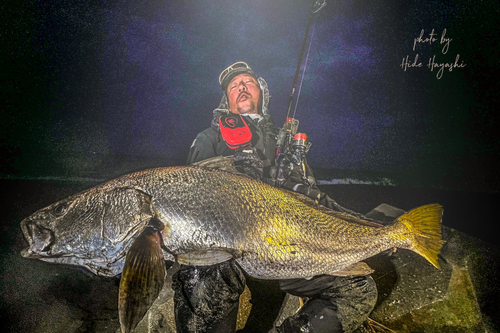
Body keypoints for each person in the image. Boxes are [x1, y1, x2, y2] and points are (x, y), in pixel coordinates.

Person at [173, 62, 379, 333]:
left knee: (359, 289)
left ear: (262, 93)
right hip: (229, 249)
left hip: (286, 248)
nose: (242, 87)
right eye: (234, 86)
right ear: (227, 100)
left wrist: (368, 227)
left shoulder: (287, 144)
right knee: (199, 275)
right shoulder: (209, 137)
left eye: (248, 82)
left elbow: (313, 199)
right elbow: (192, 196)